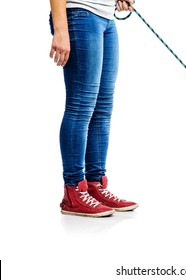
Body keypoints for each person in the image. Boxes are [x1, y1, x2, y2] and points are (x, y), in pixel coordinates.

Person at [49, 0, 138, 217]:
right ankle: (73, 192)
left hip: (106, 18)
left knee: (102, 107)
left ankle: (94, 185)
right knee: (81, 104)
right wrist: (60, 29)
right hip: (80, 15)